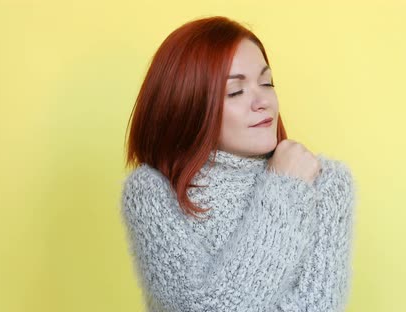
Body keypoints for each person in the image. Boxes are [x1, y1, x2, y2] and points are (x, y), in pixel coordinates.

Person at [120, 15, 357, 312]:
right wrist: (284, 190)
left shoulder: (325, 182)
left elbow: (317, 307)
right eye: (235, 91)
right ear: (188, 103)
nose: (263, 101)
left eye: (267, 83)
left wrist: (292, 184)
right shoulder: (152, 190)